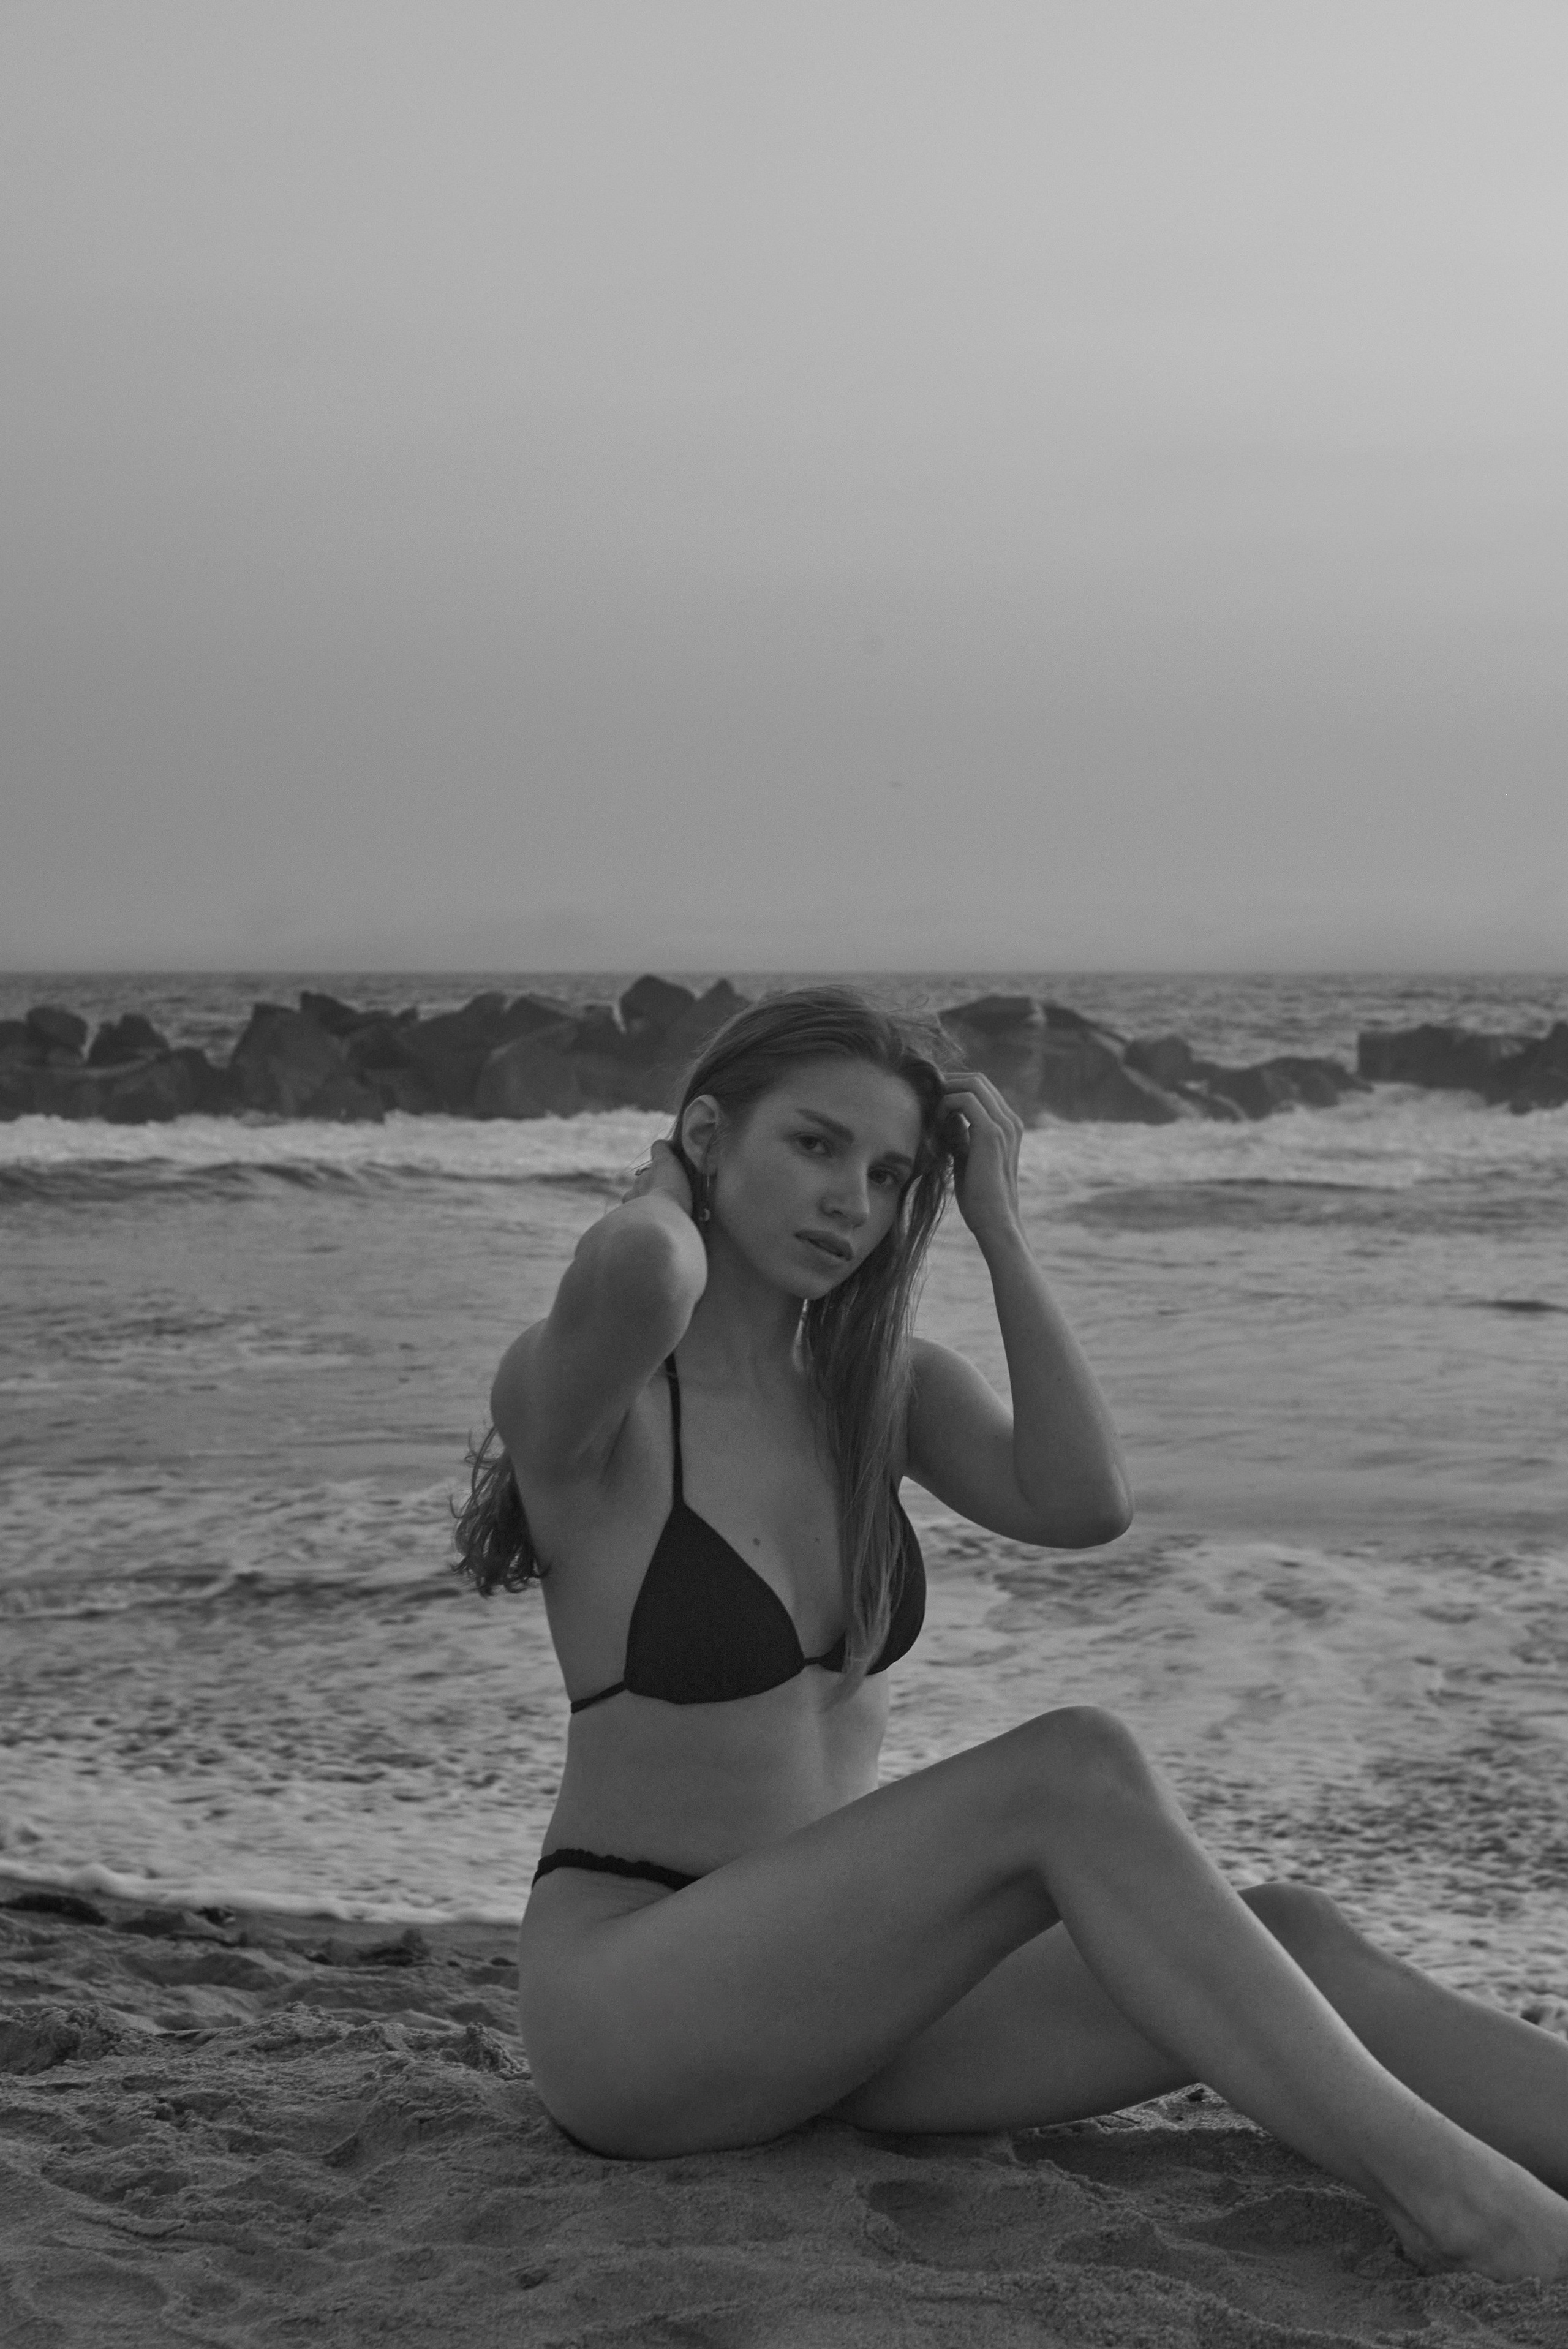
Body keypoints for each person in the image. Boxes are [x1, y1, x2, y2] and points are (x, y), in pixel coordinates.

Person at [455, 986, 1568, 2281]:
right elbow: (646, 1268)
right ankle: (1467, 2209)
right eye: (811, 1147)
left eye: (886, 1174)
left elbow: (1082, 1499)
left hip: (843, 2000)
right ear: (709, 1137)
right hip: (639, 2009)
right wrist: (666, 1172)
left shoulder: (879, 1393)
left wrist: (997, 1225)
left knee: (1293, 1932)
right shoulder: (592, 1411)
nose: (850, 1203)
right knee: (1070, 1769)